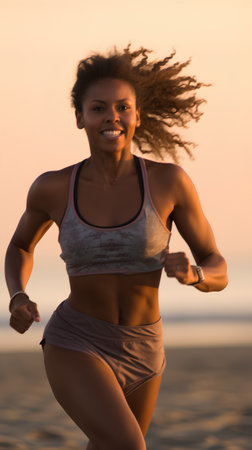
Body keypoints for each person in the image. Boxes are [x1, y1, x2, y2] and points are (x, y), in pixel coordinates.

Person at [5, 45, 228, 450]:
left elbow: (218, 267)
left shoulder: (169, 183)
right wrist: (17, 294)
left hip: (146, 347)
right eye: (98, 108)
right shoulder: (53, 187)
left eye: (123, 107)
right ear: (80, 118)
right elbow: (20, 245)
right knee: (128, 446)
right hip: (76, 340)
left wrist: (195, 274)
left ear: (137, 115)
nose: (112, 116)